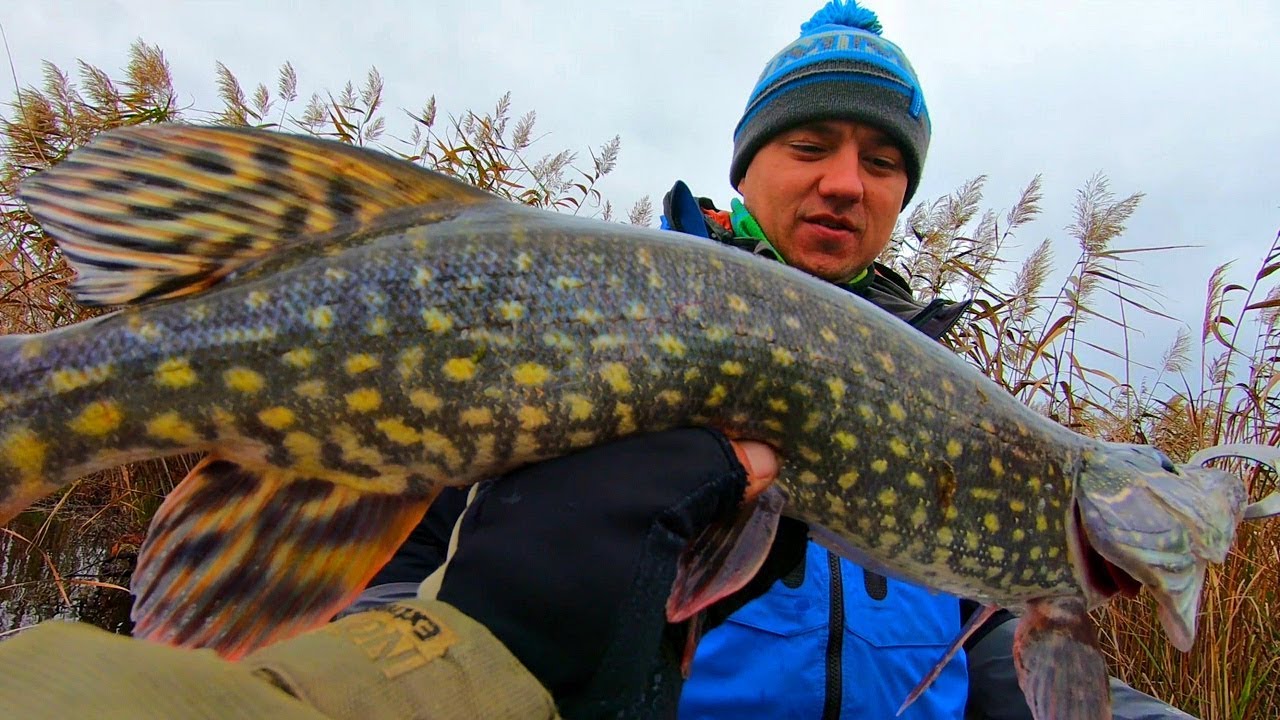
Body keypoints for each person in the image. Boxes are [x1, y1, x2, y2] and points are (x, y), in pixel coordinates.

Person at [0, 2, 1196, 719]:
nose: (845, 180)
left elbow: (994, 675)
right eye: (812, 143)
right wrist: (496, 648)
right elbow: (366, 605)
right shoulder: (600, 329)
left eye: (882, 162)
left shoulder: (953, 432)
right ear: (746, 167)